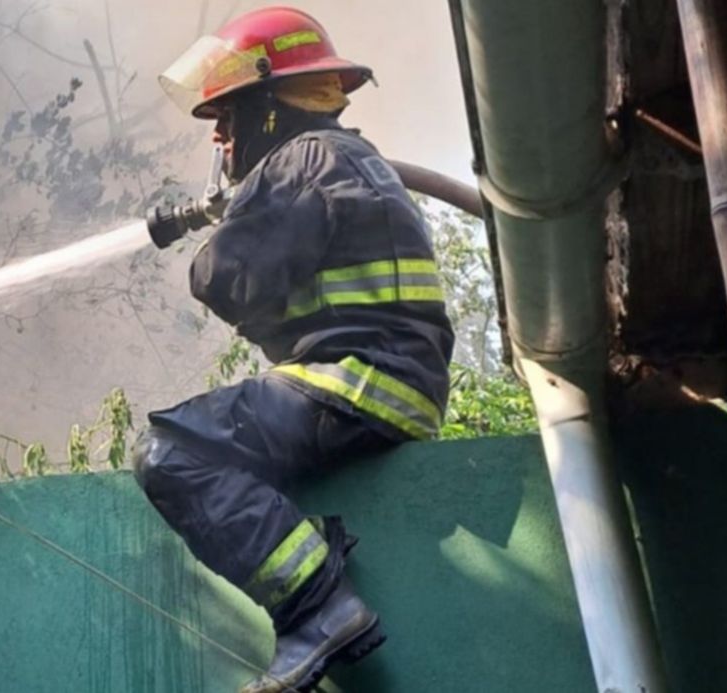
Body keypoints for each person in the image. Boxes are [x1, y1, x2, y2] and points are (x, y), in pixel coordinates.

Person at [133, 7, 456, 692]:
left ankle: (316, 606)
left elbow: (219, 280)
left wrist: (245, 201)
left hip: (357, 382)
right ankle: (320, 582)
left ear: (269, 107)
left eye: (227, 116)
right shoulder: (345, 158)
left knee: (171, 451)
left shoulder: (302, 160)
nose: (220, 136)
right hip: (393, 385)